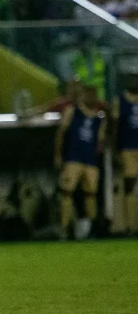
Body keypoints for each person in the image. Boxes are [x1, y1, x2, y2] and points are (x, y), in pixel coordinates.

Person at [56, 86, 106, 239]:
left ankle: (91, 229)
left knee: (91, 194)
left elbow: (100, 141)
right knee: (67, 192)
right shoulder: (73, 111)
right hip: (73, 158)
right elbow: (61, 132)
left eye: (94, 94)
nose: (92, 97)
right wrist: (58, 154)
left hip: (90, 160)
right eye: (89, 94)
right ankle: (65, 229)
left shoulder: (99, 117)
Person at [112, 79, 138, 235]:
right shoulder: (119, 101)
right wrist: (116, 149)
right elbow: (115, 127)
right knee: (130, 186)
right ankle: (131, 226)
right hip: (128, 149)